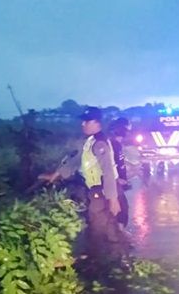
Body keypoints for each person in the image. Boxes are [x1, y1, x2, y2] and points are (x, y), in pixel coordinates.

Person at [38, 106, 129, 271]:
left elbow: (108, 171)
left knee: (96, 227)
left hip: (101, 191)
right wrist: (56, 174)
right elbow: (76, 161)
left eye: (86, 121)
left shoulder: (100, 143)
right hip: (99, 190)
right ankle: (119, 259)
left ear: (96, 122)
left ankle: (96, 264)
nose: (83, 124)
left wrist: (113, 198)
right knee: (108, 225)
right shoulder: (90, 142)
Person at [108, 117, 131, 229]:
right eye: (126, 129)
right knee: (121, 210)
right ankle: (119, 234)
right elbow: (108, 166)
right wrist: (118, 179)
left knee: (122, 210)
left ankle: (118, 232)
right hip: (114, 184)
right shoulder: (113, 145)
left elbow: (119, 163)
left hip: (117, 183)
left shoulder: (117, 145)